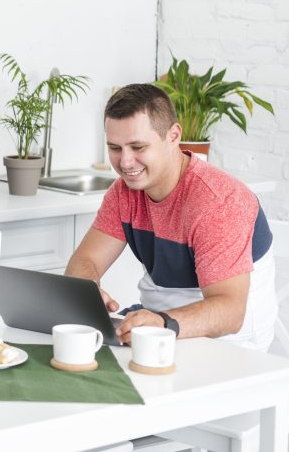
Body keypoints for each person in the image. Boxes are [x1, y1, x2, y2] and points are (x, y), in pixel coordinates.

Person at [66, 83, 276, 350]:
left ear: (174, 135)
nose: (125, 162)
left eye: (138, 146)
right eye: (115, 148)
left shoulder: (216, 202)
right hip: (159, 320)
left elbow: (230, 313)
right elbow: (85, 260)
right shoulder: (124, 192)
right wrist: (87, 289)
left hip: (228, 339)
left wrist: (162, 323)